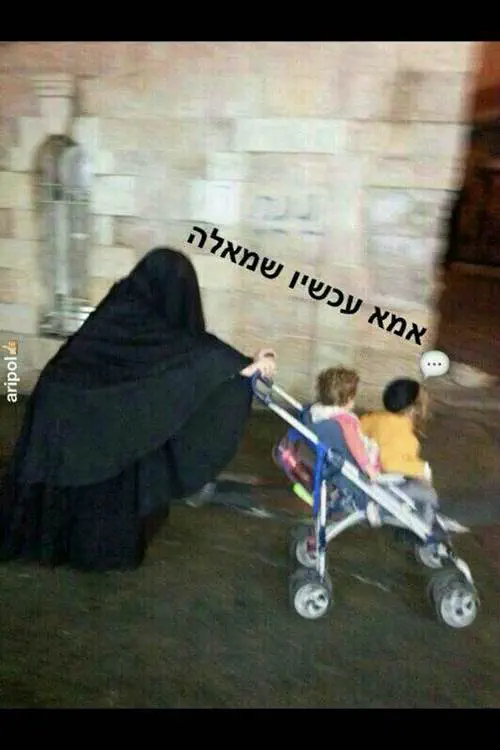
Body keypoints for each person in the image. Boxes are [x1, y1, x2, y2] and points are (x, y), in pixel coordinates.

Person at [0, 247, 276, 572]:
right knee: (86, 470)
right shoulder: (135, 311)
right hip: (68, 403)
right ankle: (85, 546)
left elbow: (187, 347)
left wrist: (241, 364)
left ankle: (80, 542)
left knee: (96, 467)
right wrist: (238, 364)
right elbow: (187, 352)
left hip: (72, 399)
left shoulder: (135, 304)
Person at [359, 378, 439, 522]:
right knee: (429, 494)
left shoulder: (372, 418)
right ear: (413, 409)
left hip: (363, 476)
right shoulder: (402, 434)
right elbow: (390, 464)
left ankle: (424, 519)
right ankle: (427, 530)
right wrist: (421, 469)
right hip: (382, 485)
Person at [306, 366, 381, 480]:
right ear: (348, 399)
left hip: (329, 456)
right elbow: (356, 446)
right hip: (354, 466)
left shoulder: (317, 413)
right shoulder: (345, 421)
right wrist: (368, 467)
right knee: (373, 446)